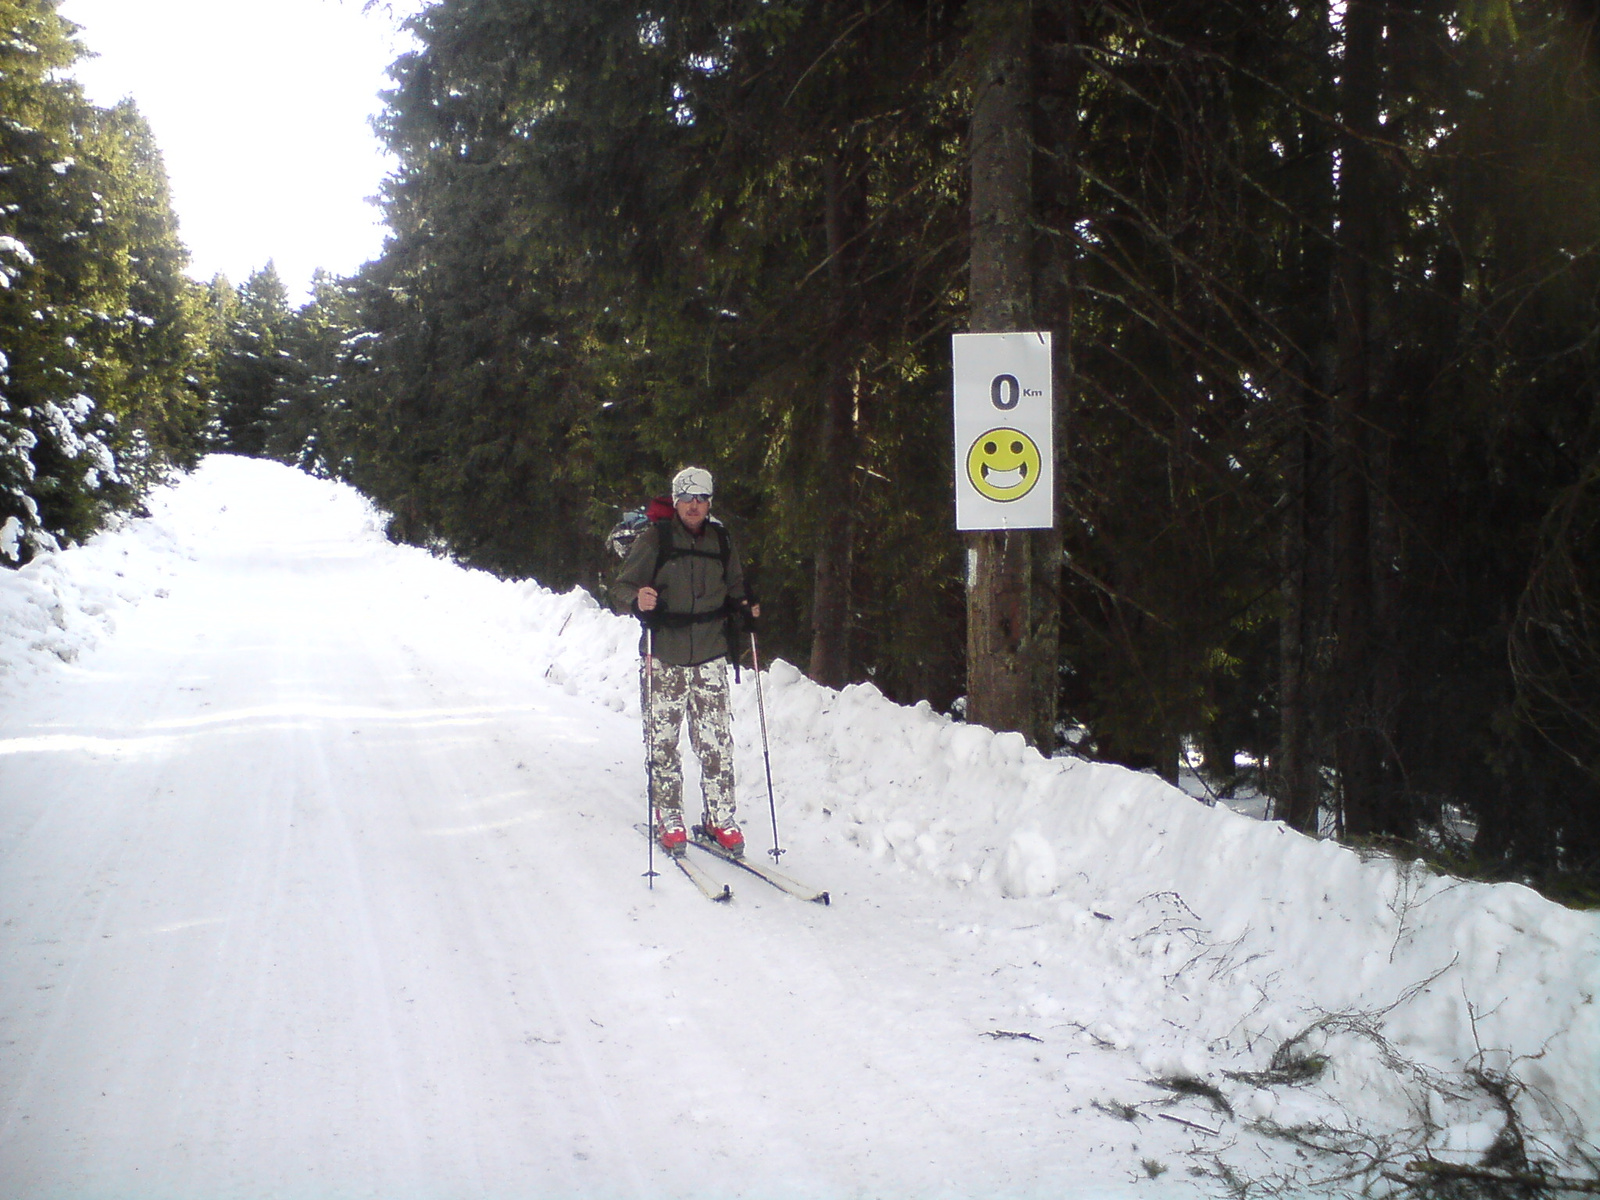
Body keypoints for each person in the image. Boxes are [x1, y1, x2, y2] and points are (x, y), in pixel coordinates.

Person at [610, 467, 760, 857]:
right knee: (663, 741)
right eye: (688, 498)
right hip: (664, 655)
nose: (695, 505)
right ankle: (670, 817)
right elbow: (621, 588)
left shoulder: (721, 540)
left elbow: (736, 586)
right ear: (676, 501)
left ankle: (720, 819)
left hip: (710, 654)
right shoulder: (655, 538)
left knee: (716, 743)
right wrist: (634, 600)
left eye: (702, 499)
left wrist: (746, 606)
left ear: (710, 503)